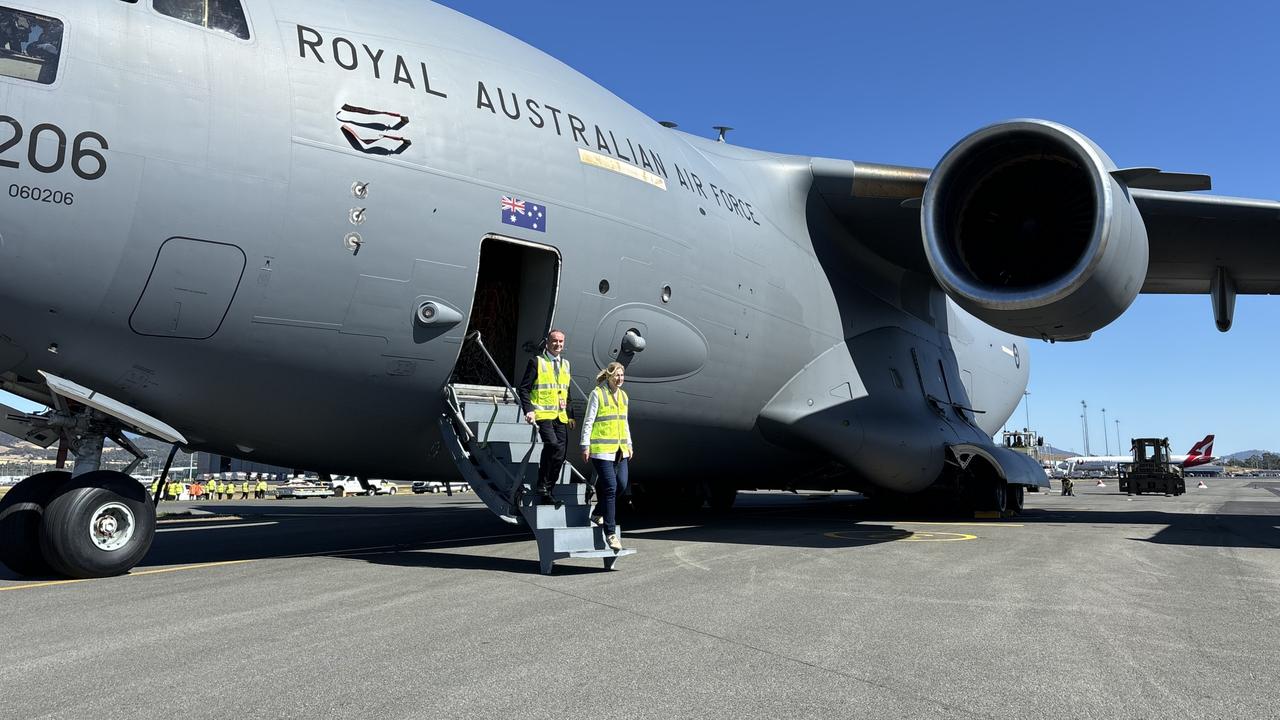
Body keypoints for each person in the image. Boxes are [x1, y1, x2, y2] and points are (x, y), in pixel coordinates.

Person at [517, 329, 575, 506]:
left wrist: (571, 415)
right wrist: (529, 410)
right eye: (555, 341)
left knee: (561, 454)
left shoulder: (565, 364)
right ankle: (542, 486)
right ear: (548, 343)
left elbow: (566, 391)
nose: (558, 344)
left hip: (561, 415)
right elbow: (524, 388)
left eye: (561, 342)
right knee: (552, 444)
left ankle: (548, 489)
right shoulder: (537, 362)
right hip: (543, 413)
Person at [580, 361, 631, 552]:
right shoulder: (597, 394)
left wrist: (630, 444)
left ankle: (597, 512)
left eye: (622, 375)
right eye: (616, 375)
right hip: (601, 449)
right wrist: (585, 445)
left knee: (622, 485)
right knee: (610, 487)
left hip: (619, 449)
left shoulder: (624, 396)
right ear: (609, 376)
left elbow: (624, 422)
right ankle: (610, 533)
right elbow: (589, 421)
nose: (619, 379)